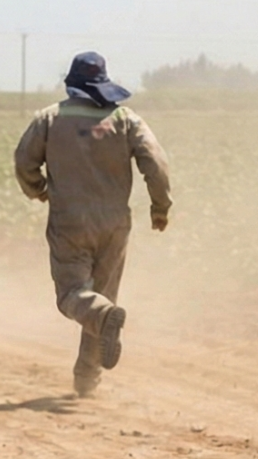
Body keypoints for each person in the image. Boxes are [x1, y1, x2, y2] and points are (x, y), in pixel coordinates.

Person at [13, 52, 172, 397]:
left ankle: (101, 319)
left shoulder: (50, 119)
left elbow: (24, 161)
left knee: (74, 296)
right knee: (102, 297)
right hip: (115, 222)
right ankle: (87, 379)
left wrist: (38, 190)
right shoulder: (126, 118)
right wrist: (160, 207)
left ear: (71, 84)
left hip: (69, 221)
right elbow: (156, 163)